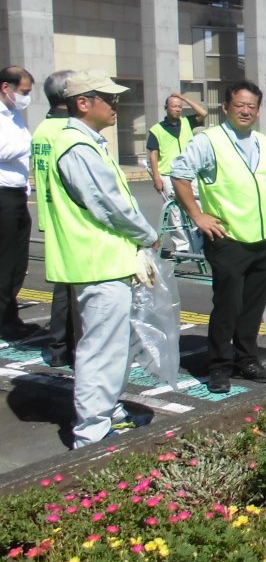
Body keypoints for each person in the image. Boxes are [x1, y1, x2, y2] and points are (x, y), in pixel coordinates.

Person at [44, 71, 158, 446]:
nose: (116, 106)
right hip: (98, 261)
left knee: (108, 345)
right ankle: (92, 432)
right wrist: (146, 234)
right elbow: (108, 205)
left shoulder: (83, 142)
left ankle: (108, 413)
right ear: (83, 103)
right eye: (109, 99)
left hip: (101, 260)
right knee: (101, 349)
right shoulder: (77, 147)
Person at [171, 81, 266, 394]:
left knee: (253, 306)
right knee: (228, 306)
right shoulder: (209, 140)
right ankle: (219, 366)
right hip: (228, 239)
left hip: (264, 239)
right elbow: (180, 174)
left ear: (259, 110)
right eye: (240, 105)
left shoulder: (263, 141)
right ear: (226, 107)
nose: (246, 111)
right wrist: (198, 216)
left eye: (252, 106)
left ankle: (247, 359)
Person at [30, 70, 78, 367]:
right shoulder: (66, 131)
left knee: (64, 286)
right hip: (69, 217)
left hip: (51, 214)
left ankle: (60, 347)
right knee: (69, 288)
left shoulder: (42, 129)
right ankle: (63, 346)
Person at [0, 65, 39, 344]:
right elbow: (3, 150)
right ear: (6, 87)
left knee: (17, 262)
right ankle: (6, 321)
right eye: (24, 91)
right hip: (2, 196)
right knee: (6, 262)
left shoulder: (13, 115)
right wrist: (34, 142)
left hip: (16, 194)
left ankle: (9, 316)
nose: (26, 97)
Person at [146, 92, 208, 253]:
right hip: (168, 174)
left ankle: (200, 242)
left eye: (180, 107)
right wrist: (156, 177)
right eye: (174, 106)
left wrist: (185, 98)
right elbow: (153, 155)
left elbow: (203, 113)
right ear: (167, 108)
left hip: (189, 173)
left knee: (197, 206)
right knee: (174, 211)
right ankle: (183, 247)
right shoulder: (157, 130)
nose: (178, 109)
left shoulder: (188, 122)